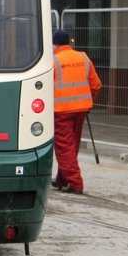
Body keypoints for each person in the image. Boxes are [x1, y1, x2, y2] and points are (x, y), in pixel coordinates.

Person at [51, 29, 101, 194]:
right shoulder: (83, 57)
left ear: (54, 44)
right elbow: (96, 85)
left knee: (64, 146)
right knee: (72, 144)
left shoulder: (54, 61)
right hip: (81, 108)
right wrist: (88, 100)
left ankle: (75, 183)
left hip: (62, 110)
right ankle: (62, 178)